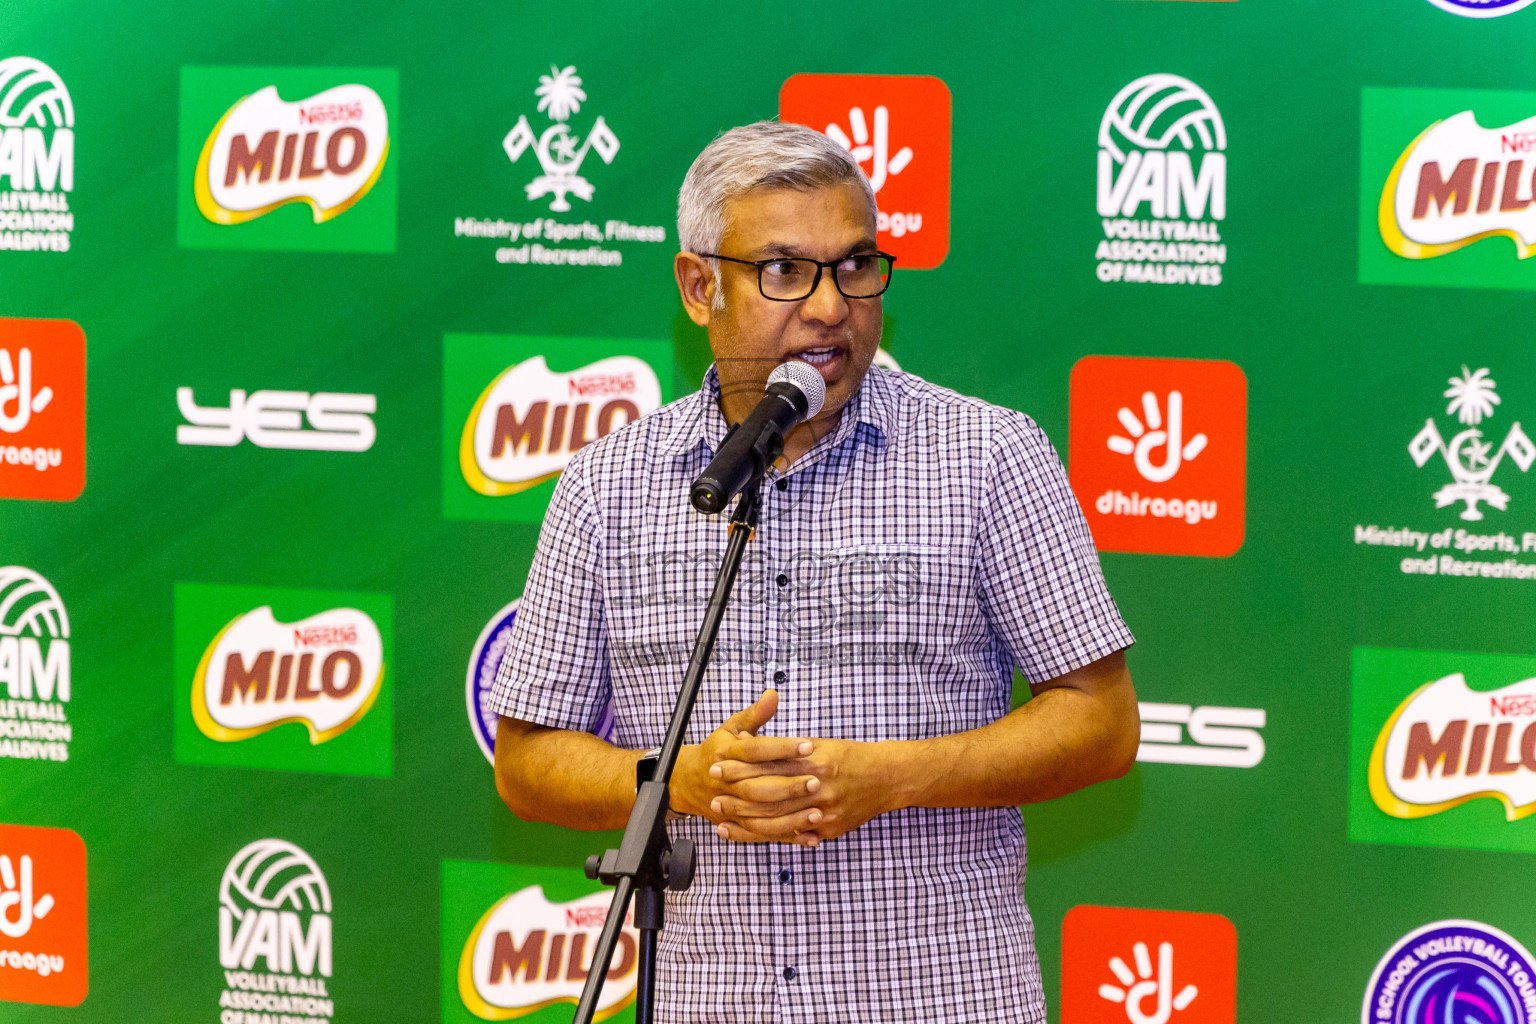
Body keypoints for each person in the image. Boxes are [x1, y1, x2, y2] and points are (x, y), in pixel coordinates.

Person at [489, 120, 1139, 1024]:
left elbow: (1102, 723)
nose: (832, 307)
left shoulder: (989, 456)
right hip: (710, 1002)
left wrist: (896, 775)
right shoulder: (608, 487)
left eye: (857, 266)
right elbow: (527, 765)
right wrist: (678, 784)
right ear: (697, 285)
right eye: (787, 272)